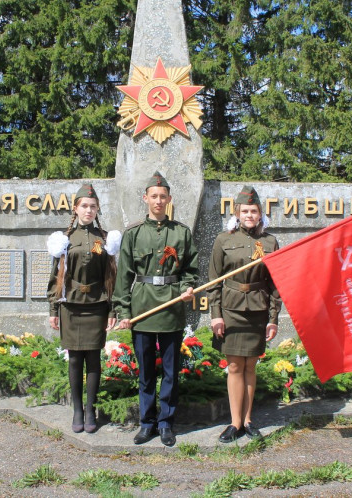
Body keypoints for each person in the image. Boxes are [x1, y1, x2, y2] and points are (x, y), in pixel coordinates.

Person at [113, 171, 199, 447]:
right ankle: (147, 423)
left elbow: (191, 270)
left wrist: (187, 287)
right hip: (142, 308)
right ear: (146, 198)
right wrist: (124, 313)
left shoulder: (181, 233)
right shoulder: (134, 234)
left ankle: (166, 424)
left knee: (171, 372)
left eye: (163, 197)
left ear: (169, 199)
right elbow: (124, 276)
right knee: (146, 372)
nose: (158, 201)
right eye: (154, 196)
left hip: (172, 308)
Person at [207, 186, 281, 443]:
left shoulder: (270, 242)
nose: (249, 215)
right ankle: (234, 422)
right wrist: (215, 314)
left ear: (261, 214)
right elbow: (214, 280)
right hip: (231, 310)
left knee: (251, 365)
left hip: (258, 311)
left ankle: (248, 421)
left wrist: (273, 318)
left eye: (254, 211)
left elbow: (275, 284)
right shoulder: (223, 240)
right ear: (237, 213)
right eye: (245, 211)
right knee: (235, 365)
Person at [47, 183, 120, 434]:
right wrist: (53, 311)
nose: (88, 210)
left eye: (92, 206)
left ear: (97, 209)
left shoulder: (105, 239)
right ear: (75, 209)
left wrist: (112, 311)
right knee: (75, 359)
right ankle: (77, 409)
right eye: (84, 206)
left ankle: (91, 408)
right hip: (71, 307)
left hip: (97, 306)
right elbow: (56, 278)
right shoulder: (64, 240)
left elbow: (112, 278)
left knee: (94, 360)